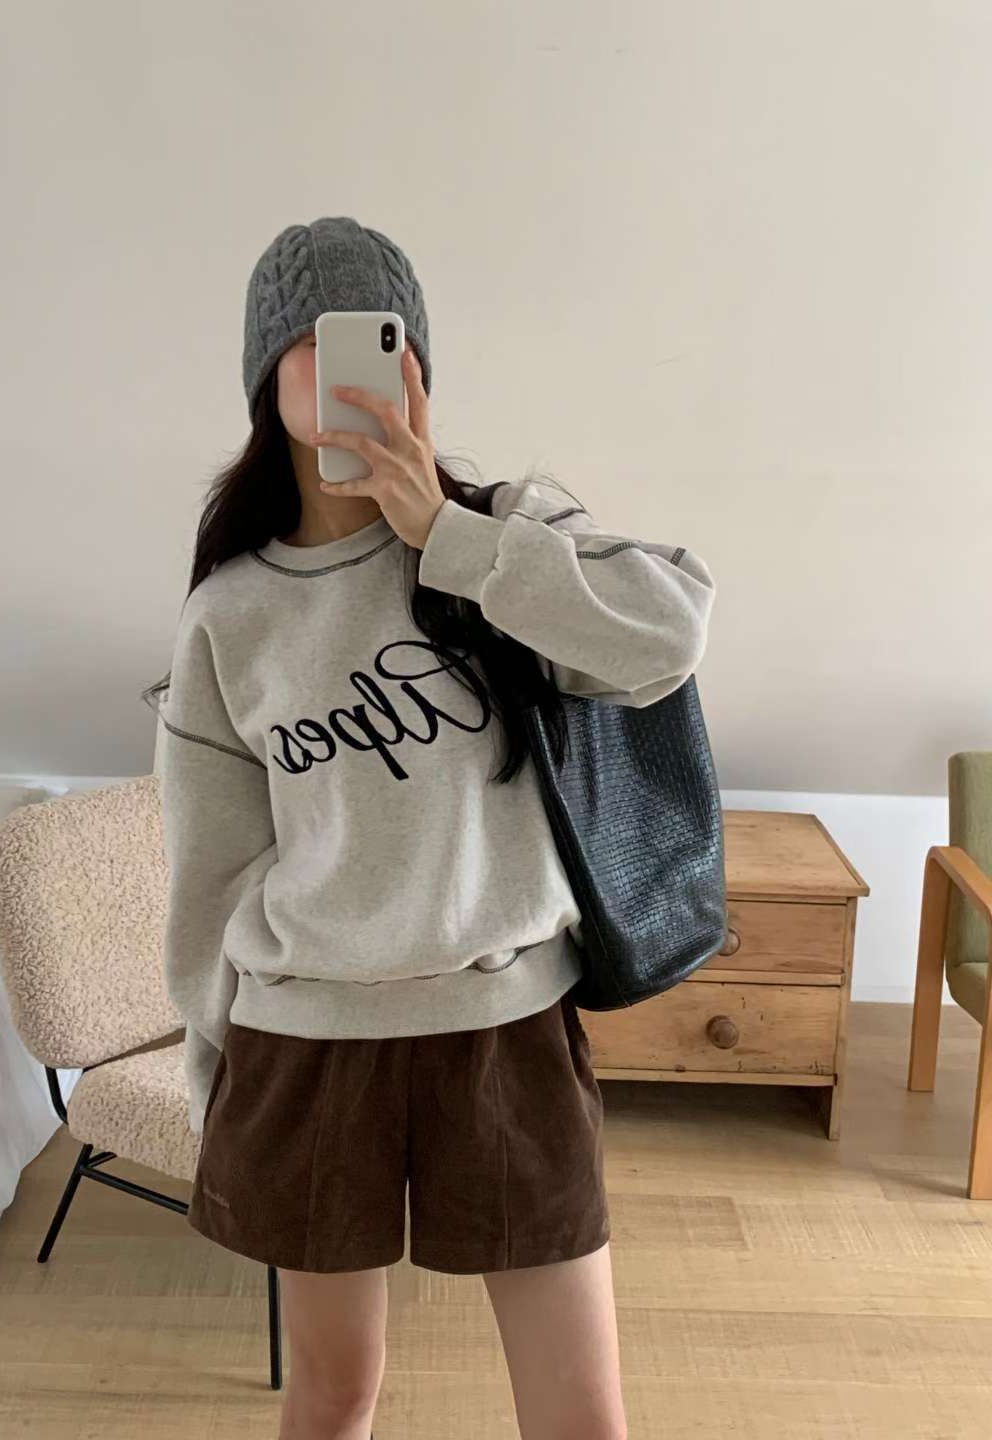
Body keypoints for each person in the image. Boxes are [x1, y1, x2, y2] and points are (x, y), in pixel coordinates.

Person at [145, 215, 716, 1440]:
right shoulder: (231, 613)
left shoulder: (505, 538)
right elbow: (211, 871)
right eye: (308, 339)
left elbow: (670, 633)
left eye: (376, 334)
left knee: (582, 1417)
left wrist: (446, 537)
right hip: (305, 1045)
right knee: (333, 1397)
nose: (345, 360)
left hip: (504, 1030)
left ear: (417, 367)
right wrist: (212, 1065)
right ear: (265, 378)